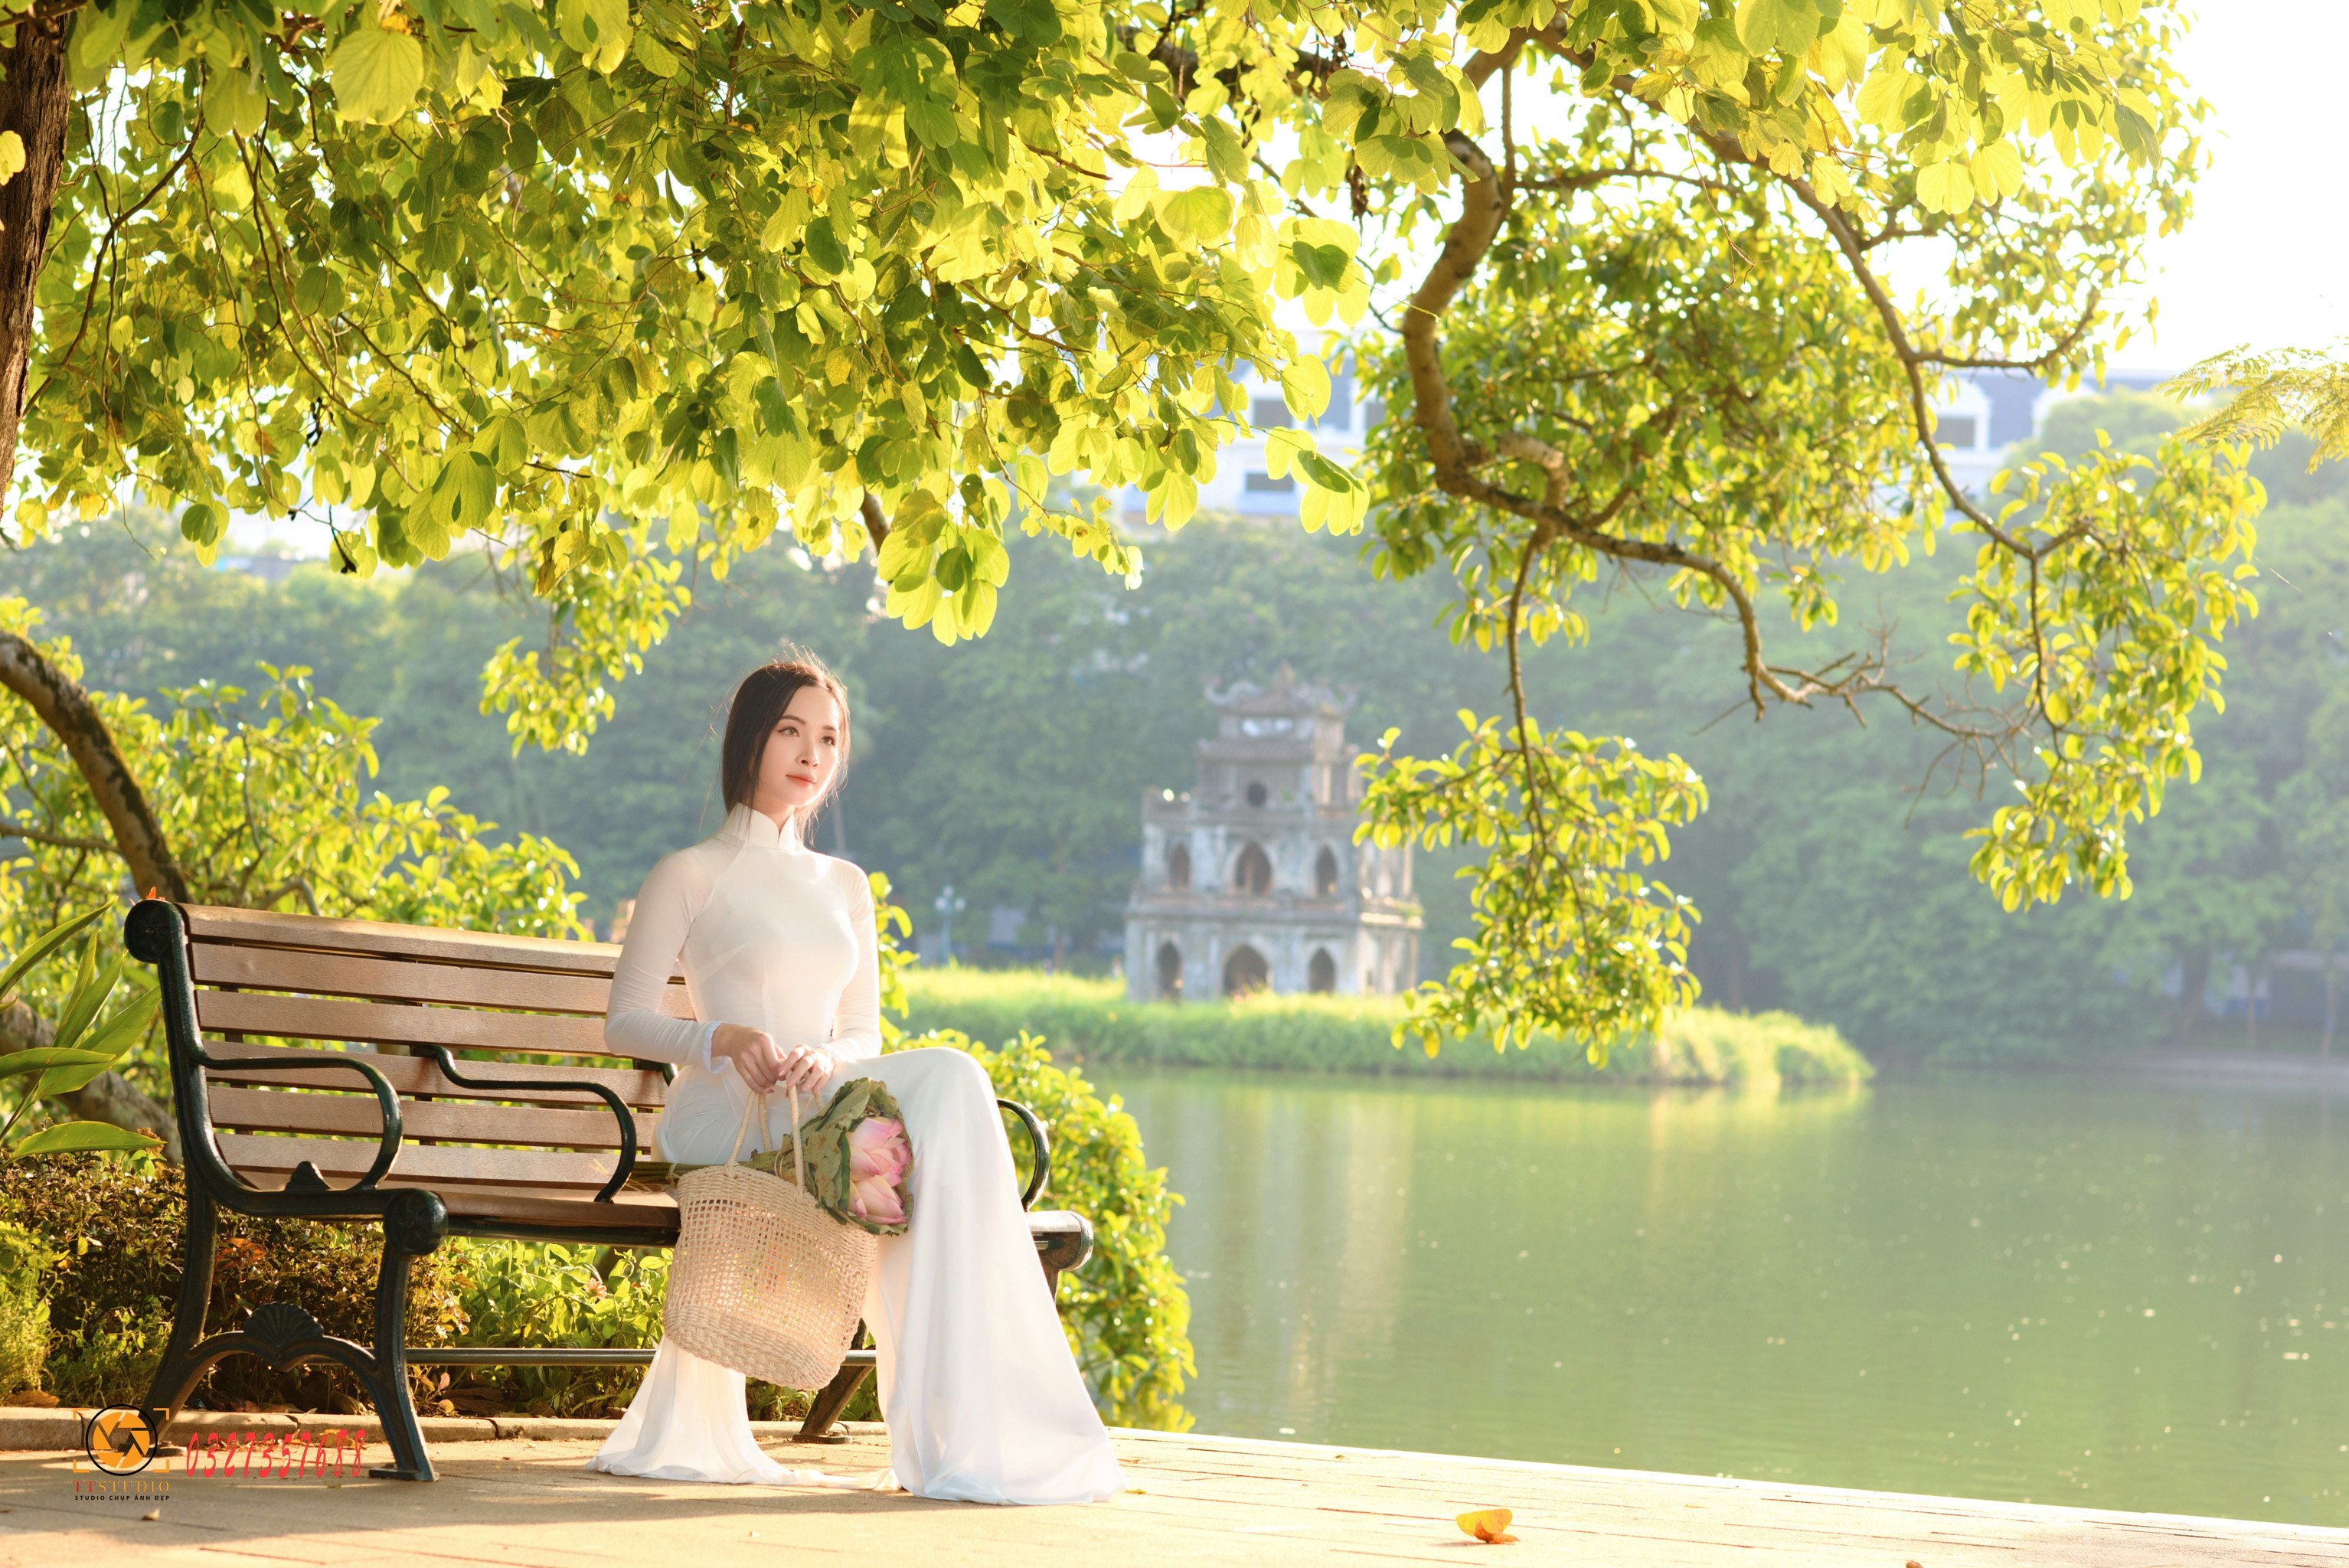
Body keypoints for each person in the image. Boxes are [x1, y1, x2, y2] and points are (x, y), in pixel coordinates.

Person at [584, 655, 1124, 1505]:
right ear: (751, 738)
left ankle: (965, 1426)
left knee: (942, 1108)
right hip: (730, 1112)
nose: (810, 752)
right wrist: (721, 1035)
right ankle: (956, 1428)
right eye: (791, 730)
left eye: (828, 737)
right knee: (947, 1081)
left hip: (824, 1099)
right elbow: (625, 1019)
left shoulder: (844, 884)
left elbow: (860, 1029)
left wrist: (828, 1058)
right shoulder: (689, 871)